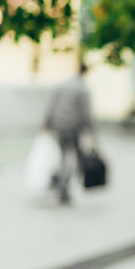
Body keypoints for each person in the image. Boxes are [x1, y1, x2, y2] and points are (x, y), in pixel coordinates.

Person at [44, 62, 95, 204]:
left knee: (63, 155)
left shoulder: (63, 85)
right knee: (71, 157)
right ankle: (62, 184)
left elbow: (52, 105)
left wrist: (47, 123)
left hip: (58, 125)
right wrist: (92, 131)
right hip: (72, 127)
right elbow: (86, 113)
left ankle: (59, 180)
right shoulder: (82, 88)